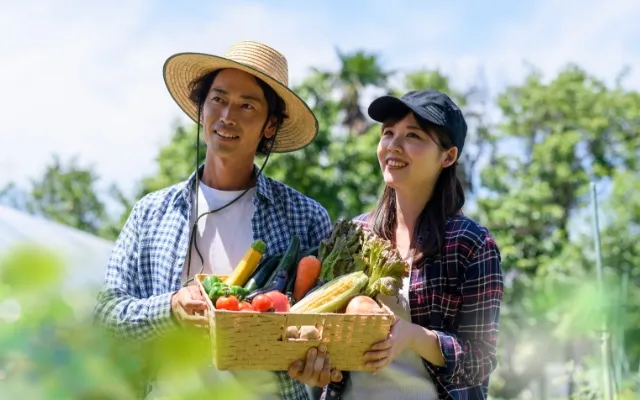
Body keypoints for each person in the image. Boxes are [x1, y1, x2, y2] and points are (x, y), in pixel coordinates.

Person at [93, 40, 335, 400]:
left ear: (270, 125)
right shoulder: (151, 212)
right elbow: (106, 317)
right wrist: (170, 308)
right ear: (201, 110)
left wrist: (317, 358)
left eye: (247, 105)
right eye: (218, 99)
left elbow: (330, 328)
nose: (227, 116)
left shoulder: (305, 217)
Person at [288, 89, 504, 400]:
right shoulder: (355, 234)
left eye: (413, 136)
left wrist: (414, 337)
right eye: (388, 133)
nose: (394, 146)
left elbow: (481, 360)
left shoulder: (470, 244)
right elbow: (326, 331)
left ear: (448, 156)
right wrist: (316, 361)